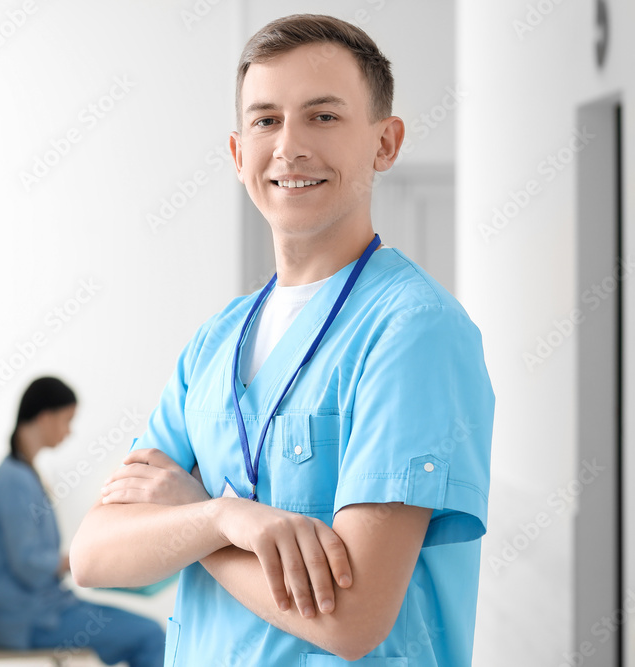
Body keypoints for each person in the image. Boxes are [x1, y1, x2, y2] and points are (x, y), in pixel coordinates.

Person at [70, 14, 494, 667]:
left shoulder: (412, 332)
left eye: (323, 117)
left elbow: (353, 620)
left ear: (386, 143)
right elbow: (97, 553)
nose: (289, 146)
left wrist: (199, 514)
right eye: (266, 120)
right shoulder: (216, 343)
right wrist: (224, 519)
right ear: (239, 155)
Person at [0, 376, 165, 666]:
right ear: (45, 417)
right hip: (29, 620)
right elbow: (28, 564)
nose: (69, 432)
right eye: (67, 420)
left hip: (39, 610)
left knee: (145, 631)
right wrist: (80, 559)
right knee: (151, 635)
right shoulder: (15, 480)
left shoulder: (20, 473)